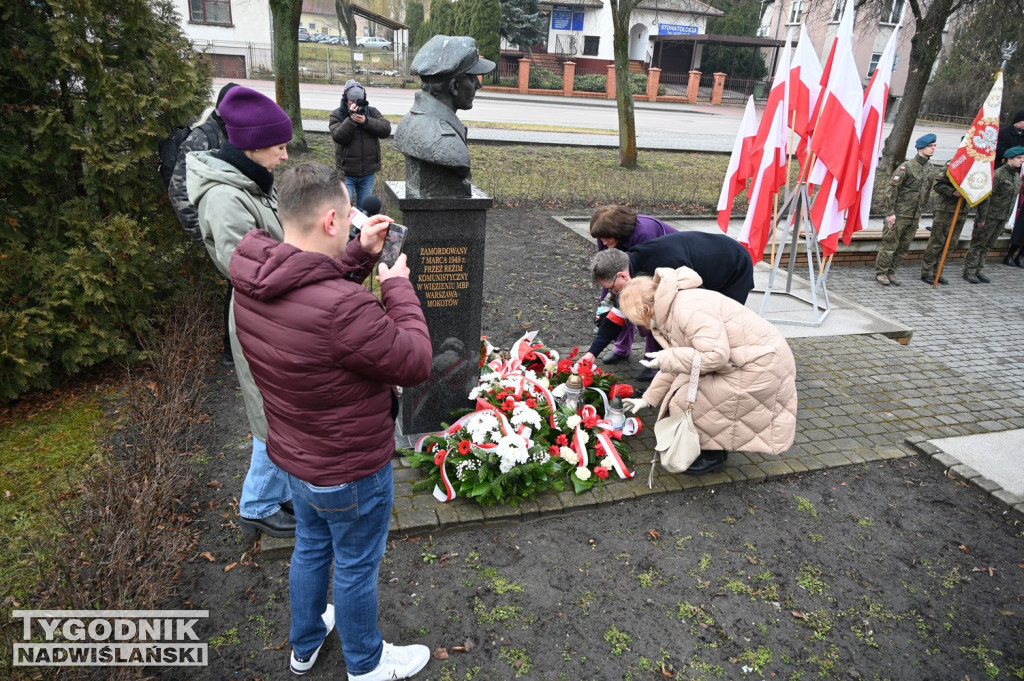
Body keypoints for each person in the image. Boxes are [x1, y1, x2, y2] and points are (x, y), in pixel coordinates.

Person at [228, 162, 433, 680]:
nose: (353, 224)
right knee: (357, 565)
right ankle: (366, 663)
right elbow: (413, 360)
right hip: (350, 467)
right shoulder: (344, 309)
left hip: (297, 455)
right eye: (348, 218)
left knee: (310, 548)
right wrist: (397, 287)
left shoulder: (254, 277)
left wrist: (355, 257)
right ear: (329, 221)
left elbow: (308, 294)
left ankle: (305, 644)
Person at [186, 85, 295, 538]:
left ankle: (281, 490)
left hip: (275, 317)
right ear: (251, 146)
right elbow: (254, 273)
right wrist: (320, 262)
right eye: (279, 147)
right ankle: (258, 504)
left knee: (283, 410)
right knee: (269, 414)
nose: (285, 157)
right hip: (258, 321)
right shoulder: (226, 198)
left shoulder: (250, 183)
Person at [617, 268, 797, 476]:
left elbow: (715, 355)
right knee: (688, 396)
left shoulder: (687, 309)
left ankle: (712, 456)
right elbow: (681, 363)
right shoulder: (670, 309)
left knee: (688, 400)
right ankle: (713, 449)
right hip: (746, 361)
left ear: (644, 309)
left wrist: (665, 358)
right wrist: (648, 398)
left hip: (762, 365)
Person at [581, 230, 754, 381]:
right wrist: (592, 353)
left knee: (721, 326)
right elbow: (616, 318)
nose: (612, 293)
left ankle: (726, 374)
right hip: (706, 264)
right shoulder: (630, 275)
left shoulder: (663, 264)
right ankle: (673, 373)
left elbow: (698, 305)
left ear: (622, 276)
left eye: (611, 288)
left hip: (732, 264)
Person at [168, 81, 238, 366]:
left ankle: (237, 347)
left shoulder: (231, 132)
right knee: (237, 282)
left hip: (227, 222)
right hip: (212, 227)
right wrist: (202, 232)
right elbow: (178, 188)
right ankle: (230, 351)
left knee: (237, 283)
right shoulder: (204, 137)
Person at [393, 35, 495, 198]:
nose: (479, 85)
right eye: (472, 77)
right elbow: (455, 158)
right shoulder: (443, 142)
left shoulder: (408, 122)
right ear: (454, 86)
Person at [590, 205, 677, 364]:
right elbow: (607, 273)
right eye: (600, 238)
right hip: (633, 266)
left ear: (618, 231)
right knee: (619, 300)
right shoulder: (605, 234)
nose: (603, 242)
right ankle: (622, 349)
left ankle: (652, 358)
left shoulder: (644, 234)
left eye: (606, 238)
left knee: (646, 307)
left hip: (660, 266)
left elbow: (646, 279)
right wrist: (605, 305)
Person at [874, 133, 939, 286]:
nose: (933, 149)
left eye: (934, 146)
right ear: (921, 147)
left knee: (903, 247)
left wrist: (919, 213)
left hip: (914, 216)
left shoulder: (930, 169)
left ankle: (891, 272)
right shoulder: (906, 167)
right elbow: (891, 191)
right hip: (899, 214)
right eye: (930, 146)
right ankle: (881, 272)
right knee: (890, 245)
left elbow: (926, 192)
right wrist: (890, 213)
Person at [329, 80, 391, 212]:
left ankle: (360, 233)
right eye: (352, 101)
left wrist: (366, 121)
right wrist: (350, 119)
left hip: (367, 172)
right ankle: (344, 232)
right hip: (347, 173)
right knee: (343, 210)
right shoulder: (337, 115)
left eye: (359, 100)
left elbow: (386, 129)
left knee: (364, 211)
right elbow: (338, 136)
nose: (355, 104)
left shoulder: (371, 112)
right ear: (346, 100)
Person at [963, 146, 1024, 283]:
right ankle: (969, 270)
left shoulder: (1015, 176)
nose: (1022, 160)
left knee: (987, 245)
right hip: (989, 216)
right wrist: (982, 217)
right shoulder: (998, 175)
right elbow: (986, 198)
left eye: (1022, 158)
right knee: (978, 244)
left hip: (1002, 217)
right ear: (1009, 158)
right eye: (1019, 158)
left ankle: (978, 269)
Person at [919, 163, 968, 286]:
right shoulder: (953, 165)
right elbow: (938, 185)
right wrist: (952, 192)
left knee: (950, 244)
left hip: (962, 212)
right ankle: (927, 272)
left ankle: (938, 272)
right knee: (936, 243)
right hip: (945, 211)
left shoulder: (974, 167)